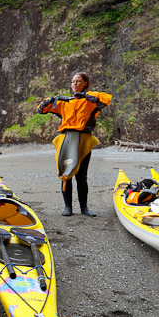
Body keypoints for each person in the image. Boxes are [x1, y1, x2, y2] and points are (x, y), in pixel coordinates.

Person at [37, 71, 112, 217]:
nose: (74, 84)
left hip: (84, 139)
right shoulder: (65, 102)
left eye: (78, 81)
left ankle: (84, 207)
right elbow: (41, 109)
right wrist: (54, 99)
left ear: (85, 83)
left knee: (82, 176)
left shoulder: (90, 100)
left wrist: (84, 96)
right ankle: (68, 207)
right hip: (66, 139)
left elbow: (105, 100)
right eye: (72, 81)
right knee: (66, 173)